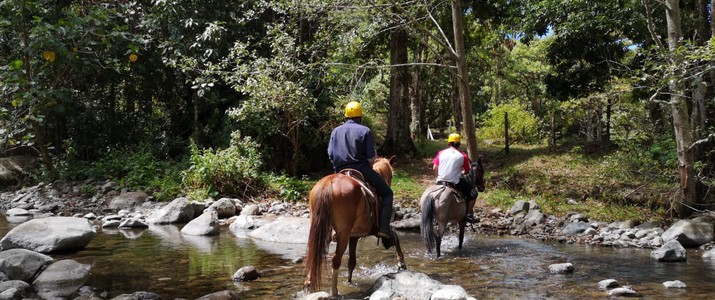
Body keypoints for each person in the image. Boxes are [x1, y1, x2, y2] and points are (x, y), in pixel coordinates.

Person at [327, 101, 394, 240]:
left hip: (339, 171)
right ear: (360, 116)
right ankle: (383, 228)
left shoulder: (335, 131)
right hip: (361, 169)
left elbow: (330, 154)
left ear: (346, 116)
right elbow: (370, 157)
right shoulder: (365, 131)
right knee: (387, 193)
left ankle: (331, 227)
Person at [432, 133, 478, 223]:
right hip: (454, 182)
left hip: (440, 181)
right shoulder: (463, 156)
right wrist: (462, 172)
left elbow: (434, 167)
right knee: (473, 193)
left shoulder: (441, 153)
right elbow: (467, 171)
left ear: (449, 143)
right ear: (459, 144)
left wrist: (437, 177)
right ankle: (468, 214)